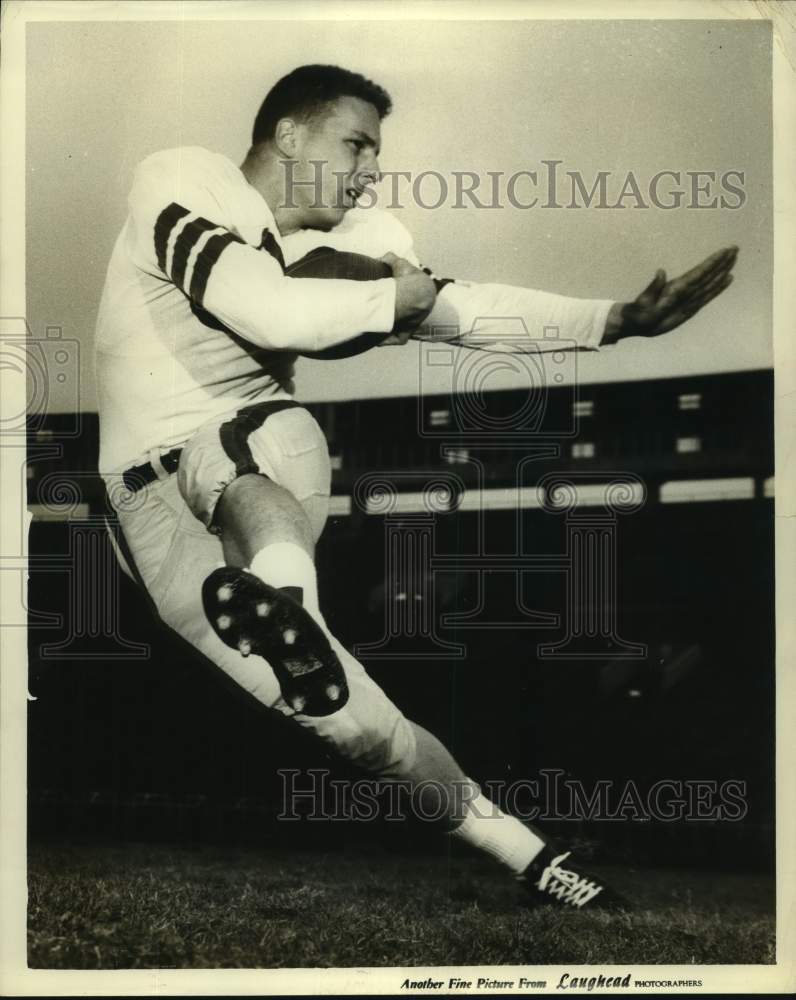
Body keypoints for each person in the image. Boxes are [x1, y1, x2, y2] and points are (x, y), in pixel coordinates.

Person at [95, 64, 737, 910]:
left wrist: (612, 320)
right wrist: (385, 300)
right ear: (289, 133)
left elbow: (463, 310)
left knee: (256, 428)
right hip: (146, 513)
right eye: (356, 143)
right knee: (364, 732)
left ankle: (536, 860)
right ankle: (526, 847)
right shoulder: (184, 178)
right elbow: (270, 315)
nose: (370, 170)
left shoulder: (349, 241)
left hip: (248, 480)